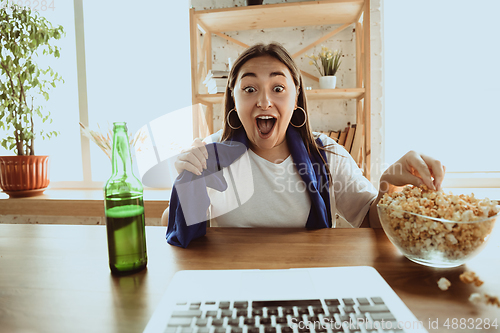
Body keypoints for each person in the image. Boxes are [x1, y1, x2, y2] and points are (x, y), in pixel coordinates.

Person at [165, 42, 445, 247]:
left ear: (296, 96)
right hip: (233, 281)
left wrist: (389, 185)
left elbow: (371, 219)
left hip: (311, 281)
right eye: (249, 89)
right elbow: (172, 224)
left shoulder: (327, 154)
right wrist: (187, 185)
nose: (264, 101)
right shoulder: (210, 154)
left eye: (278, 88)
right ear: (234, 98)